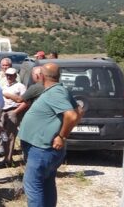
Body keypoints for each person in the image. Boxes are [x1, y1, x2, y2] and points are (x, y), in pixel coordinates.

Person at [19, 63, 84, 207]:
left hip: (42, 149)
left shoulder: (55, 93)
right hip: (43, 149)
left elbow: (72, 115)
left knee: (33, 186)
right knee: (46, 183)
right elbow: (79, 111)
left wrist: (61, 136)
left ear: (41, 76)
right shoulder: (59, 90)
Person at [0, 68, 28, 166]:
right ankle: (5, 157)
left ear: (15, 76)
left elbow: (25, 101)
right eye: (7, 75)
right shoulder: (3, 85)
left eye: (11, 75)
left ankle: (8, 159)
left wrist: (16, 112)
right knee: (3, 134)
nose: (9, 77)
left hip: (13, 111)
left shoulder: (20, 86)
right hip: (3, 111)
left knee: (11, 135)